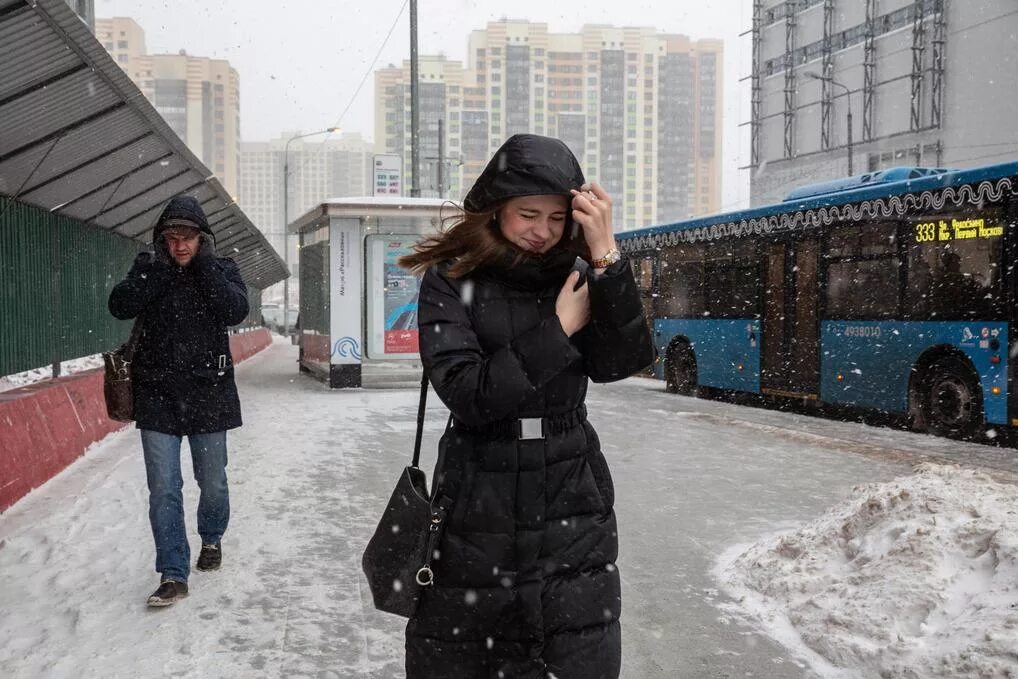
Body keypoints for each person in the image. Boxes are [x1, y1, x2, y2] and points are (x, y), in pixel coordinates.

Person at [399, 134, 654, 678]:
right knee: (467, 651)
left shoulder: (580, 273)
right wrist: (558, 327)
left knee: (575, 641)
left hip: (570, 486)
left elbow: (620, 362)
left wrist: (607, 257)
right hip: (477, 489)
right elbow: (468, 394)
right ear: (497, 212)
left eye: (558, 218)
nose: (543, 231)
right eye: (528, 214)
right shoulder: (452, 277)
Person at [108, 195, 249, 607]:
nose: (180, 245)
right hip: (157, 395)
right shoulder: (150, 268)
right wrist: (159, 272)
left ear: (202, 239)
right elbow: (119, 305)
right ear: (162, 239)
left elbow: (236, 309)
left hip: (210, 393)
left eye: (187, 237)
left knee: (213, 482)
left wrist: (204, 267)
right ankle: (173, 572)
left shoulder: (222, 269)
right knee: (164, 488)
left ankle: (211, 537)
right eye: (172, 238)